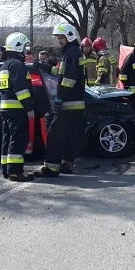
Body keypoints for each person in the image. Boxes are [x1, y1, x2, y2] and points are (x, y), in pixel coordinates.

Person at [32, 23, 85, 178]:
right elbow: (61, 72)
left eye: (61, 38)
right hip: (76, 102)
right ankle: (67, 164)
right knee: (70, 134)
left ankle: (51, 168)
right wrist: (46, 67)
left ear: (69, 36)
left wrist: (61, 96)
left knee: (54, 134)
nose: (59, 41)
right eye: (58, 38)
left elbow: (69, 79)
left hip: (68, 102)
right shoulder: (73, 52)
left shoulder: (72, 53)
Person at [0, 32, 35, 182]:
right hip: (17, 108)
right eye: (25, 46)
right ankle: (15, 172)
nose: (27, 50)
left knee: (7, 138)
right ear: (18, 46)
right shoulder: (17, 65)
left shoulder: (5, 65)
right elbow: (21, 89)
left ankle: (7, 169)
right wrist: (29, 107)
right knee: (18, 138)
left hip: (6, 108)